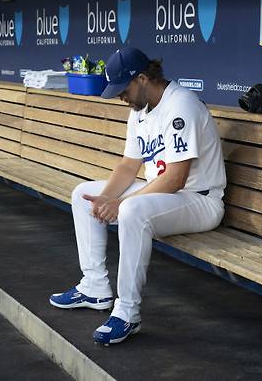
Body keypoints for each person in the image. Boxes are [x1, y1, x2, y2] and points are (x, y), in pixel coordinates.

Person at [49, 47, 226, 346]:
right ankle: (94, 286)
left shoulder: (181, 105)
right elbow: (129, 165)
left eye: (124, 88)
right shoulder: (140, 110)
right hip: (164, 196)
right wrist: (105, 200)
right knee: (84, 195)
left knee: (131, 211)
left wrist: (121, 205)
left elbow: (175, 178)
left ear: (143, 78)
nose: (121, 96)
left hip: (199, 200)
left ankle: (127, 313)